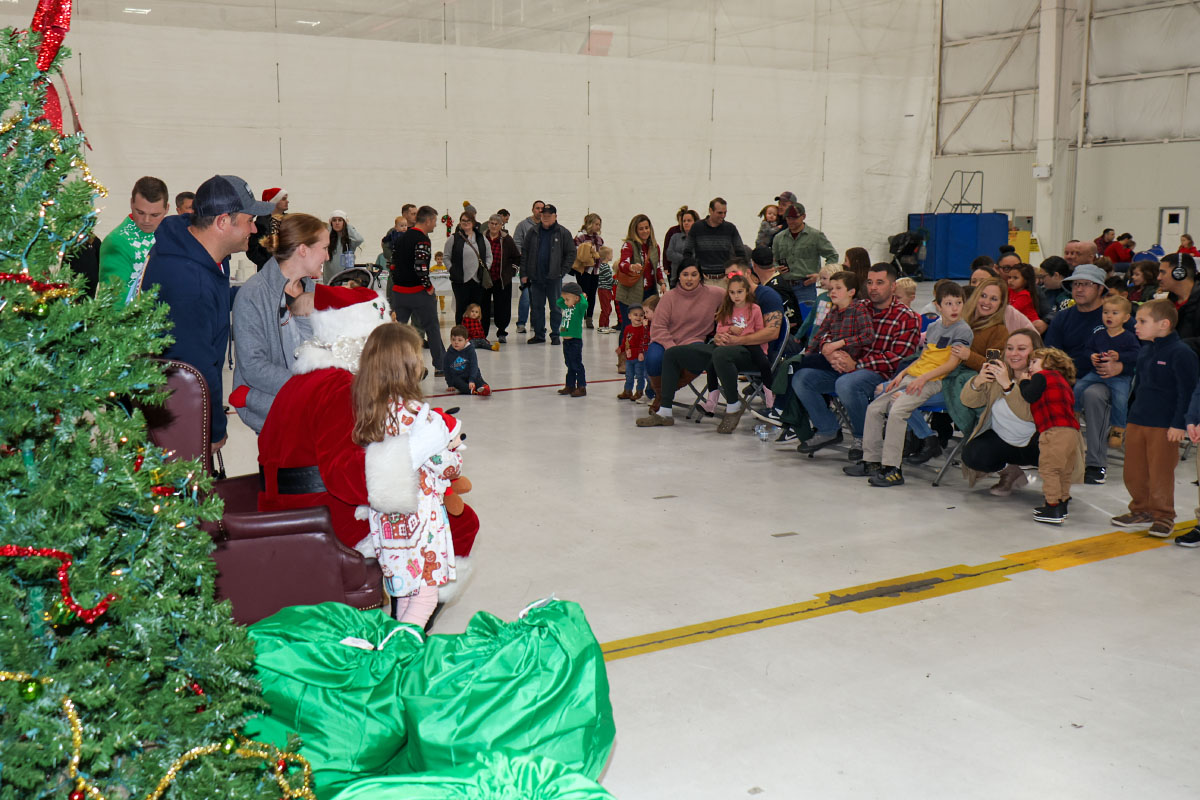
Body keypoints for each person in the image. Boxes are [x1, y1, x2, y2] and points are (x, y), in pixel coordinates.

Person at [258, 287, 400, 550]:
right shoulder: (341, 387)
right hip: (317, 518)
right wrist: (411, 470)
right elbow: (344, 474)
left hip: (282, 509)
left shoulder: (304, 380)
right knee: (453, 523)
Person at [142, 174, 273, 450]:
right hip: (179, 419)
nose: (253, 229)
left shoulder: (194, 250)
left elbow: (214, 301)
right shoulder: (190, 283)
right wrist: (213, 429)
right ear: (223, 222)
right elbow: (197, 368)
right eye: (249, 220)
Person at [353, 324, 462, 626]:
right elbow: (447, 466)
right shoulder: (420, 416)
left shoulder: (371, 412)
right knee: (425, 598)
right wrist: (453, 448)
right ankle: (401, 647)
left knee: (405, 593)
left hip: (387, 524)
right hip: (420, 524)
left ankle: (399, 643)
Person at [847, 280, 971, 486]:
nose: (954, 308)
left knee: (897, 410)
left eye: (958, 303)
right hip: (914, 376)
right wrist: (902, 374)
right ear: (938, 306)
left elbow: (950, 364)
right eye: (949, 303)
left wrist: (923, 378)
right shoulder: (934, 327)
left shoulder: (963, 330)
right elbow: (924, 357)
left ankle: (893, 469)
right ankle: (872, 461)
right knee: (874, 408)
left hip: (934, 381)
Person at [639, 259, 782, 432]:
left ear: (747, 274)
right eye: (728, 277)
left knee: (719, 354)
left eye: (735, 275)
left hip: (750, 352)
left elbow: (768, 333)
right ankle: (664, 411)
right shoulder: (727, 302)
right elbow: (721, 326)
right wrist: (720, 336)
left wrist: (738, 339)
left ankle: (733, 407)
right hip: (723, 347)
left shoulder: (762, 301)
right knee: (673, 353)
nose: (731, 281)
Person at [797, 262, 921, 461]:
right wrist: (830, 351)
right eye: (870, 282)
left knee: (847, 384)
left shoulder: (907, 317)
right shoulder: (857, 306)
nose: (873, 287)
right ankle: (828, 429)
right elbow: (827, 330)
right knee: (802, 378)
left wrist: (857, 365)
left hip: (881, 375)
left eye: (880, 282)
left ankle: (864, 438)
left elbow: (897, 359)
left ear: (893, 287)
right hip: (844, 367)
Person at [228, 213, 324, 434]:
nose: (327, 256)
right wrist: (311, 387)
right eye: (324, 248)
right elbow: (253, 366)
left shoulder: (314, 291)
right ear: (303, 250)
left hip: (313, 412)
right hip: (273, 415)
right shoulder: (253, 295)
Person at [1110, 299, 1198, 537]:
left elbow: (1188, 391)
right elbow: (1139, 387)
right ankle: (1141, 509)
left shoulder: (1181, 353)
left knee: (1160, 472)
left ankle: (1163, 515)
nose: (1135, 325)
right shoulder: (1146, 350)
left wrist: (1179, 423)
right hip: (1138, 419)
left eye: (1142, 321)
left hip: (1164, 425)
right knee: (1134, 470)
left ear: (1164, 324)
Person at [907, 276, 1014, 464]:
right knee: (888, 392)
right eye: (983, 296)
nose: (987, 302)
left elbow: (993, 368)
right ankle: (919, 439)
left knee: (901, 398)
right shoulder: (959, 318)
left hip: (963, 385)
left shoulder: (999, 331)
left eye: (994, 299)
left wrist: (969, 356)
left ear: (1001, 304)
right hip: (938, 374)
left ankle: (926, 439)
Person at [1044, 263, 1118, 484]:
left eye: (1086, 284)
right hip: (1067, 377)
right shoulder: (1063, 317)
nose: (1079, 289)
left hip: (1104, 378)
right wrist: (1065, 378)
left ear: (1100, 289)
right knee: (1040, 385)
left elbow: (1136, 349)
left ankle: (1096, 463)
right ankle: (1044, 454)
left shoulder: (1114, 315)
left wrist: (1120, 366)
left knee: (1093, 395)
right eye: (1076, 284)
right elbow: (1051, 354)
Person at [959, 329, 1044, 496]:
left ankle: (1058, 490)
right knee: (972, 454)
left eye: (1021, 348)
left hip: (1037, 444)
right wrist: (978, 381)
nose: (1014, 353)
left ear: (1036, 351)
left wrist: (1008, 386)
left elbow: (1028, 414)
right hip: (1004, 440)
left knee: (1058, 452)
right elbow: (968, 401)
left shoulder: (1045, 379)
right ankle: (1009, 472)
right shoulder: (1000, 374)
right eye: (1010, 348)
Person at [637, 262, 724, 415]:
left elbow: (739, 299)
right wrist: (672, 348)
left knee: (700, 358)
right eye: (685, 274)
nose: (689, 279)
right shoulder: (669, 297)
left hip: (694, 341)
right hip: (666, 341)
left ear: (701, 276)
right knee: (653, 359)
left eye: (694, 275)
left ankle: (663, 397)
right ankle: (661, 396)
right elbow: (658, 328)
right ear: (678, 277)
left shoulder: (716, 294)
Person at [1021, 347, 1084, 524]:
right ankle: (1062, 503)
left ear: (1049, 362)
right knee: (1064, 471)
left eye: (1034, 362)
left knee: (1049, 469)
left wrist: (1023, 382)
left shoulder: (1042, 376)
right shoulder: (1063, 381)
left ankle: (1052, 506)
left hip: (1054, 431)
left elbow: (1029, 395)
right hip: (1072, 432)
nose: (1030, 366)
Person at [1070, 295, 1139, 447]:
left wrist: (1120, 356)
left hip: (1120, 376)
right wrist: (1092, 356)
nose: (1109, 316)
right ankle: (1074, 413)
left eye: (1115, 313)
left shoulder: (1129, 337)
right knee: (1078, 387)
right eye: (1105, 312)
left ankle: (1118, 428)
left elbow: (1136, 354)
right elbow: (1087, 349)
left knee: (1120, 399)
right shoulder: (1099, 334)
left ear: (1126, 318)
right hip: (1097, 373)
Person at [390, 205, 446, 375]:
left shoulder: (401, 238)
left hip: (399, 293)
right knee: (432, 328)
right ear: (428, 220)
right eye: (435, 221)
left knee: (397, 333)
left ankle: (393, 366)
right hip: (418, 293)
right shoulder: (423, 240)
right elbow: (420, 267)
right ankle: (441, 365)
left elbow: (392, 264)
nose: (435, 225)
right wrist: (428, 287)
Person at [99, 175, 170, 307]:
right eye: (140, 212)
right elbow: (113, 301)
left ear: (167, 209)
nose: (147, 220)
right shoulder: (117, 242)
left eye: (155, 215)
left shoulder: (171, 235)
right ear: (131, 203)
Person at [519, 203, 575, 345]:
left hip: (554, 278)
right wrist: (524, 273)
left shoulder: (563, 233)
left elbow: (571, 253)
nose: (546, 217)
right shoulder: (533, 231)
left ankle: (555, 334)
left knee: (555, 307)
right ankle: (539, 334)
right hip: (536, 277)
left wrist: (562, 271)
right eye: (544, 215)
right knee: (537, 308)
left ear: (555, 216)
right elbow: (525, 252)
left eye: (549, 215)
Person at [771, 203, 838, 306]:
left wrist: (821, 275)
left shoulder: (815, 236)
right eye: (788, 218)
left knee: (806, 313)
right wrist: (776, 268)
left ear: (803, 216)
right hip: (784, 285)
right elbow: (773, 259)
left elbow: (832, 256)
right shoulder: (779, 237)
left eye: (794, 218)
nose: (791, 221)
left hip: (805, 286)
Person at [444, 211, 492, 328]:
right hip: (460, 281)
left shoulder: (481, 238)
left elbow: (489, 256)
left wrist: (485, 268)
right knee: (461, 308)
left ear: (473, 223)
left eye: (468, 220)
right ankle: (460, 334)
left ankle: (474, 333)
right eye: (463, 220)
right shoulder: (453, 238)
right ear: (460, 222)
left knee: (475, 309)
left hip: (478, 280)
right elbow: (446, 257)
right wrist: (452, 270)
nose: (465, 223)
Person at [615, 214, 664, 324]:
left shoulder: (655, 247)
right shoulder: (629, 245)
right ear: (635, 231)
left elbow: (657, 267)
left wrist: (662, 283)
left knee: (649, 326)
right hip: (630, 294)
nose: (645, 231)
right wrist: (631, 267)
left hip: (650, 293)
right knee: (630, 327)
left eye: (647, 228)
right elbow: (622, 264)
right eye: (641, 229)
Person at [683, 197, 745, 284]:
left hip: (725, 280)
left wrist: (734, 273)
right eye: (720, 213)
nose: (723, 215)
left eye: (725, 213)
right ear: (710, 211)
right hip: (703, 280)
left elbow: (741, 253)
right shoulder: (697, 227)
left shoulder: (730, 228)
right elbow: (687, 252)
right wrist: (695, 272)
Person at [484, 213, 520, 343]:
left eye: (496, 224)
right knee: (484, 306)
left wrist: (512, 271)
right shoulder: (482, 238)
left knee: (502, 306)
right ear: (488, 224)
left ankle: (502, 331)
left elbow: (516, 257)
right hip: (485, 279)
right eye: (491, 223)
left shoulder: (507, 239)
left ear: (501, 225)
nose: (494, 226)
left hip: (502, 279)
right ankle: (483, 333)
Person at [512, 200, 545, 334]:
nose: (540, 210)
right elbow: (516, 243)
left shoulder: (547, 226)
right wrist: (524, 257)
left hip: (542, 268)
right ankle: (521, 323)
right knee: (526, 296)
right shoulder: (523, 225)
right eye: (537, 208)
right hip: (527, 268)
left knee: (538, 297)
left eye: (542, 208)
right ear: (532, 209)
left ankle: (535, 323)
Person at [556, 282, 588, 397]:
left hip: (575, 341)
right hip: (566, 341)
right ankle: (570, 385)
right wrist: (565, 296)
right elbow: (558, 302)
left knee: (576, 364)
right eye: (565, 299)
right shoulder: (566, 306)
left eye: (567, 299)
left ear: (576, 298)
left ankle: (581, 387)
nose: (564, 302)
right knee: (569, 364)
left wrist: (582, 296)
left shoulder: (579, 308)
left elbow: (584, 304)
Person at [573, 213, 604, 329]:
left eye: (599, 224)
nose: (598, 227)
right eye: (596, 224)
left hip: (595, 270)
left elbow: (601, 252)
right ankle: (579, 316)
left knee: (592, 294)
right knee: (582, 294)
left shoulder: (599, 239)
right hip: (584, 271)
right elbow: (577, 252)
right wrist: (589, 251)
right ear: (589, 224)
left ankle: (589, 317)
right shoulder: (580, 236)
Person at [247, 187, 288, 269]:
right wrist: (266, 263)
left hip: (289, 269)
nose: (287, 201)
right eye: (283, 199)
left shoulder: (290, 221)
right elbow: (251, 249)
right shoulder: (261, 224)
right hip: (268, 270)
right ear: (275, 202)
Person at [443, 325, 489, 395]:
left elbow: (474, 366)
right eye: (453, 339)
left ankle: (484, 388)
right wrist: (450, 384)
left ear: (466, 341)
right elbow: (446, 369)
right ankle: (471, 390)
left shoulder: (470, 350)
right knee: (456, 381)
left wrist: (472, 380)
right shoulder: (449, 353)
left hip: (471, 374)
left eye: (459, 340)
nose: (456, 342)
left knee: (478, 379)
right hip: (459, 377)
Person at [617, 304, 650, 401]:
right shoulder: (628, 328)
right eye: (635, 315)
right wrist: (621, 348)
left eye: (641, 315)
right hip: (629, 358)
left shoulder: (644, 329)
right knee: (629, 375)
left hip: (639, 357)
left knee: (640, 375)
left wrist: (641, 352)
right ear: (629, 316)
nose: (638, 317)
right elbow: (626, 341)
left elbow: (644, 342)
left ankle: (639, 391)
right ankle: (627, 391)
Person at [322, 211, 363, 284]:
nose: (337, 223)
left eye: (340, 220)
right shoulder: (327, 240)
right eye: (334, 220)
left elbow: (359, 239)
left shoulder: (350, 240)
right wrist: (329, 227)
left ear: (344, 222)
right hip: (329, 280)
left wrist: (347, 226)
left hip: (345, 280)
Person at [1005, 262, 1045, 334]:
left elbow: (1011, 310)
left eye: (1015, 278)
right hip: (1019, 325)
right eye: (1009, 277)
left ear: (1026, 280)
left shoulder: (1025, 296)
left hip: (1031, 328)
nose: (1010, 280)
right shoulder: (1010, 290)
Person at [665, 208, 700, 285]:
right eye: (684, 221)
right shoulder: (675, 237)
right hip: (675, 279)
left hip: (694, 280)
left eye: (689, 220)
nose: (686, 223)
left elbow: (698, 256)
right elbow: (669, 254)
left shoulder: (699, 239)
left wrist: (682, 259)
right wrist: (685, 259)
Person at [595, 245, 617, 333]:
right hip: (604, 290)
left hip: (606, 290)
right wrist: (618, 282)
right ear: (607, 256)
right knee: (605, 308)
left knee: (608, 308)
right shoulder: (604, 267)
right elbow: (609, 279)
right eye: (611, 254)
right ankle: (602, 326)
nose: (612, 256)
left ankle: (606, 325)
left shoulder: (604, 266)